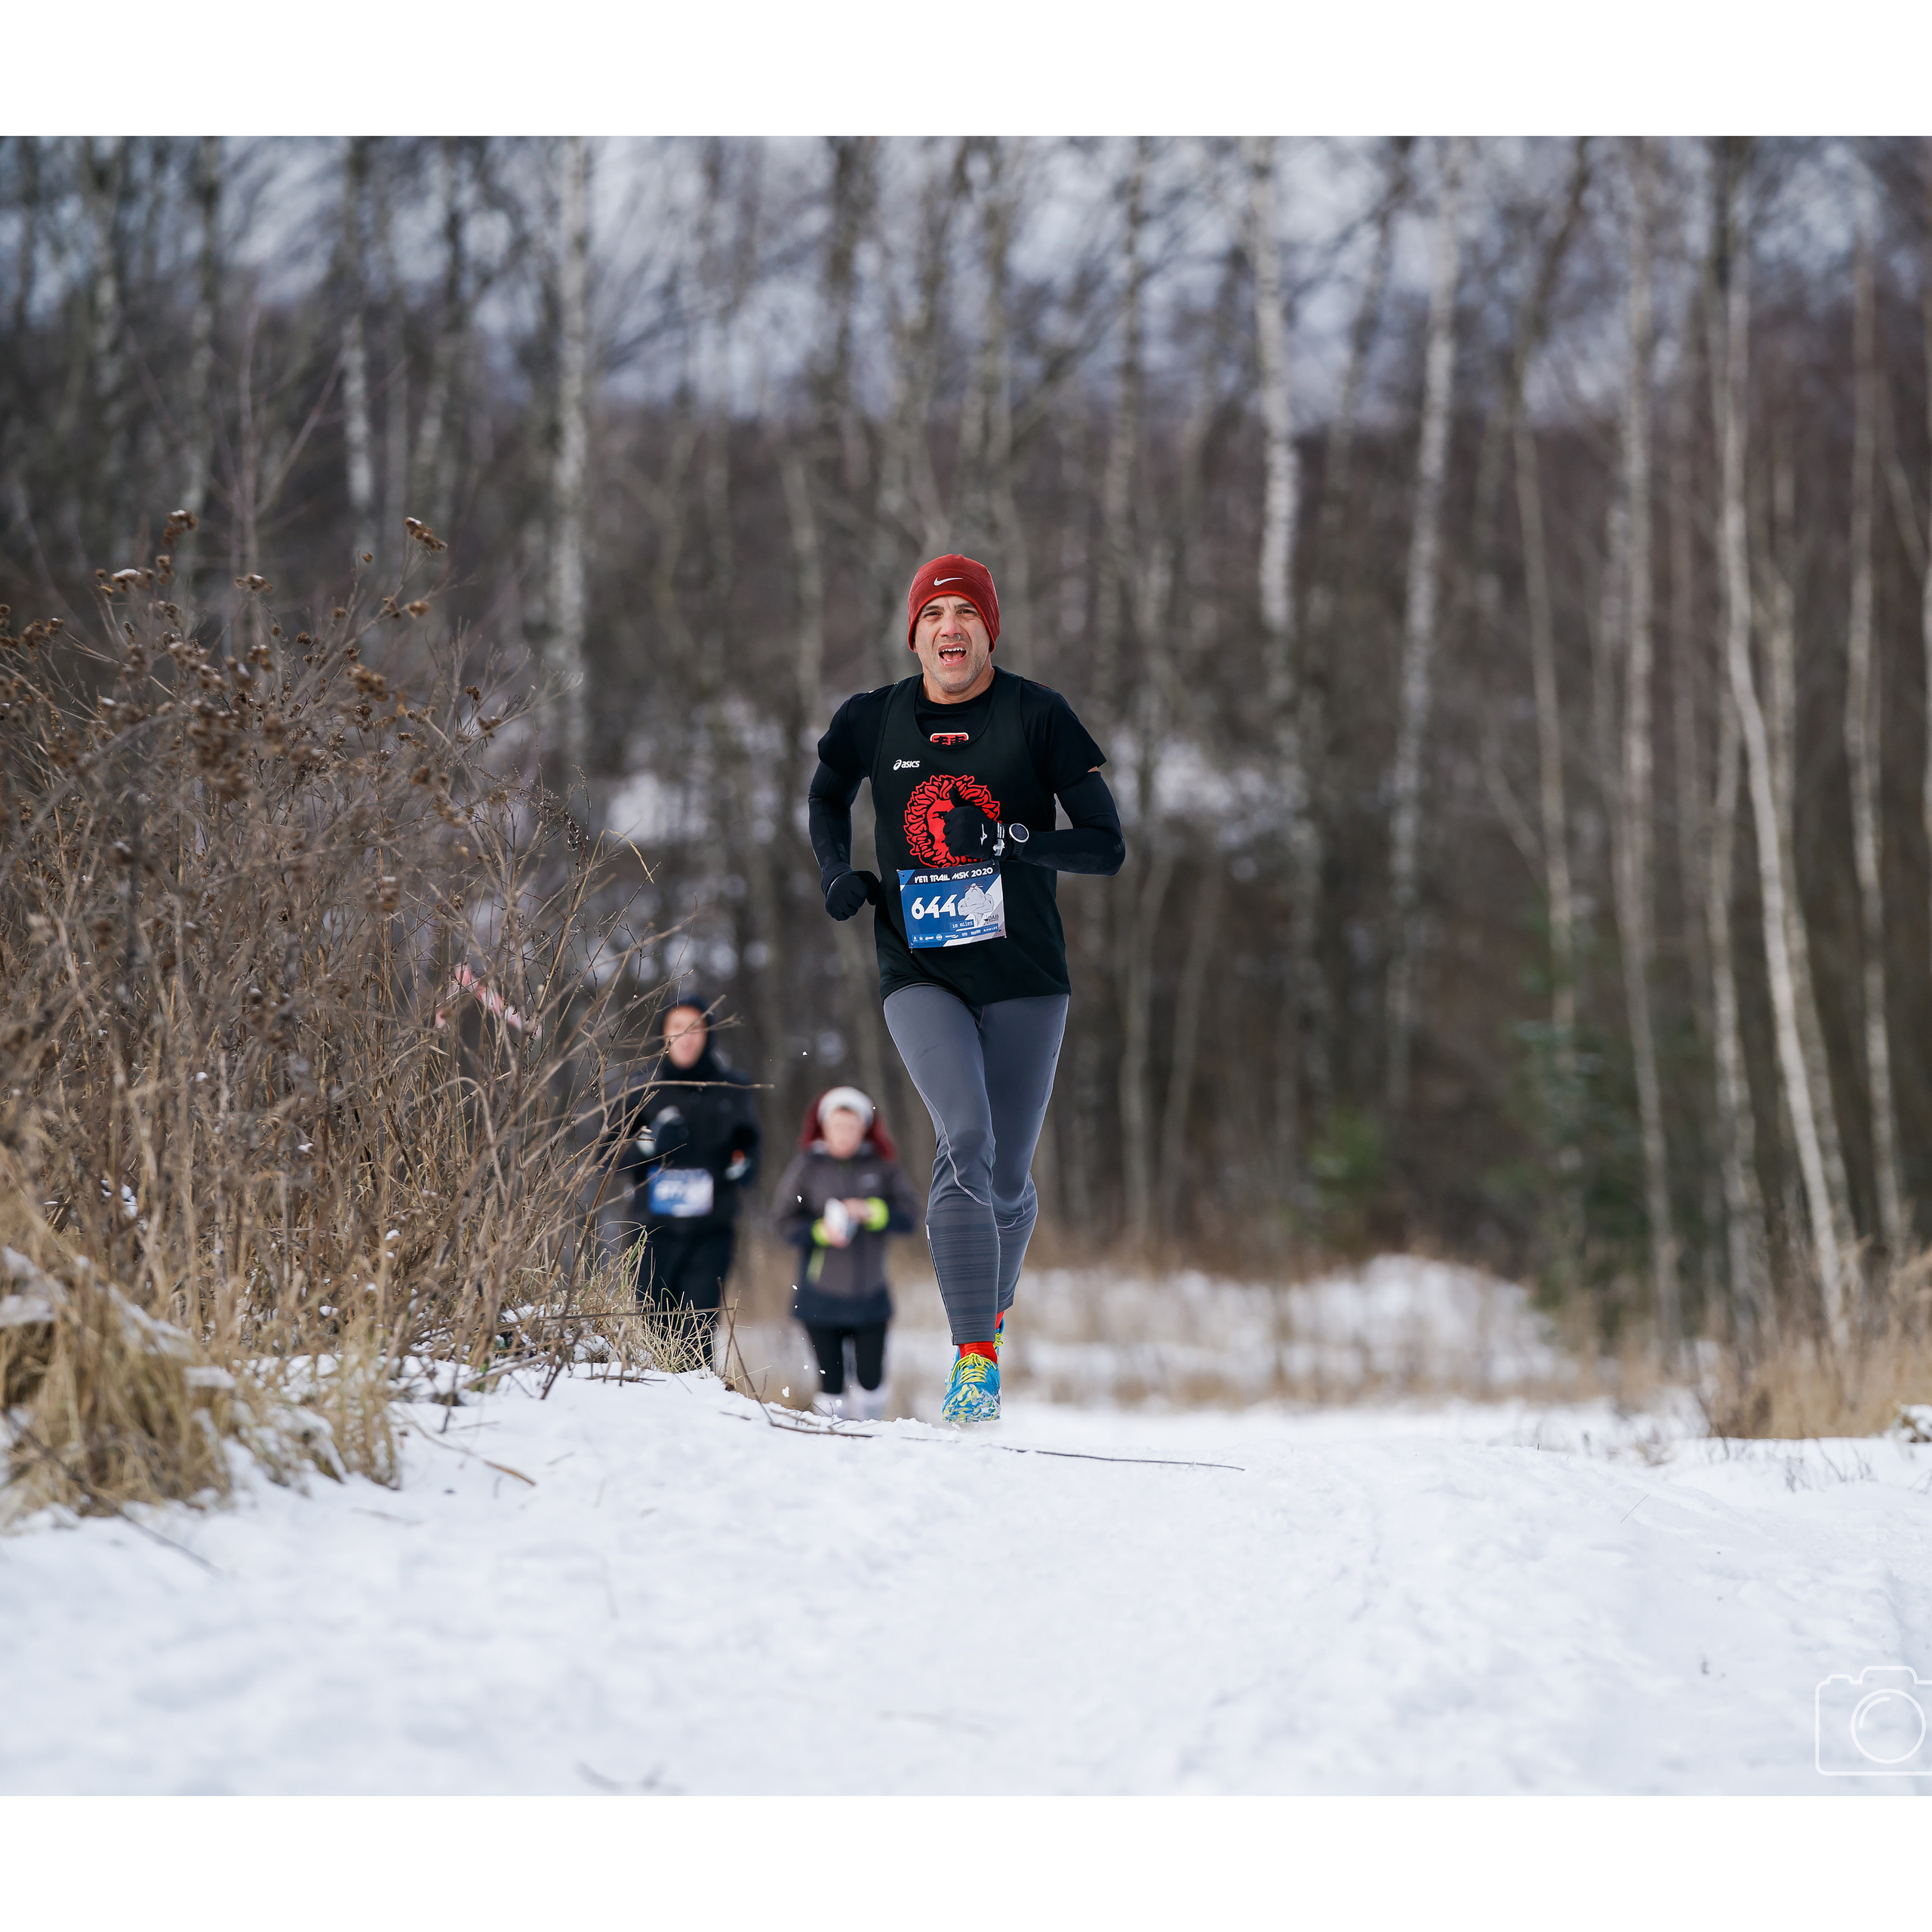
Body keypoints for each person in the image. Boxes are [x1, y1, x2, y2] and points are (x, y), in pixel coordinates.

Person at [808, 553, 1124, 1423]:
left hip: (1026, 977)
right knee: (966, 1137)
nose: (949, 628)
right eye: (932, 614)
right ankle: (973, 1363)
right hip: (921, 970)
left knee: (1010, 1183)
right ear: (914, 633)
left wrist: (1017, 838)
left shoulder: (1037, 715)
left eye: (965, 613)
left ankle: (986, 1300)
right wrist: (839, 873)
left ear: (990, 628)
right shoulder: (872, 718)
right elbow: (827, 791)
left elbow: (1104, 843)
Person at [612, 993, 761, 1359]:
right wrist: (647, 1146)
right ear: (664, 1033)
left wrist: (743, 1165)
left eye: (696, 1027)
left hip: (711, 1233)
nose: (687, 1036)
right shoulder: (642, 1087)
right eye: (678, 1027)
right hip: (650, 1234)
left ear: (709, 1033)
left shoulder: (732, 1086)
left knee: (695, 1335)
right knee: (654, 1338)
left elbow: (751, 1146)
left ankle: (696, 1407)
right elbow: (606, 1154)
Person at [771, 1086, 921, 1420]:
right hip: (819, 1298)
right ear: (823, 1126)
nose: (844, 1134)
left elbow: (910, 1216)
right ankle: (828, 1442)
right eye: (837, 1126)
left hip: (871, 1297)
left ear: (865, 1128)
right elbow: (782, 1223)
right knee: (831, 1383)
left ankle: (872, 1437)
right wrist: (818, 1231)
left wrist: (874, 1212)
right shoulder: (806, 1168)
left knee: (871, 1379)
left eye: (852, 1126)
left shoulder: (882, 1166)